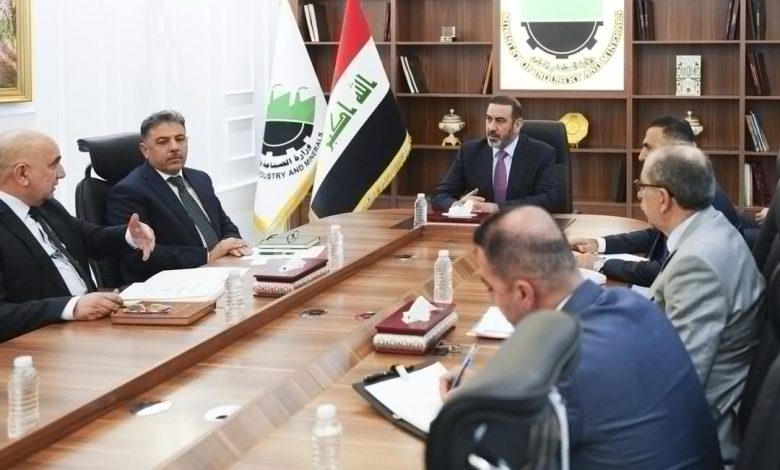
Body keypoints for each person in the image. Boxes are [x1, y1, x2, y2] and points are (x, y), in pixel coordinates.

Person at [439, 206, 723, 469]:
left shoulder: (563, 369)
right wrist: (492, 390)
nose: (491, 297)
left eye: (490, 287)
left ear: (523, 293)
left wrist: (466, 412)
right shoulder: (636, 305)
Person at [638, 145, 764, 463]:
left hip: (693, 438)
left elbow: (680, 380)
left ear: (663, 198)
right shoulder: (712, 224)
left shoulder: (698, 264)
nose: (639, 195)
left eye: (641, 187)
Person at [0, 129, 155, 342]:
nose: (61, 173)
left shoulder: (46, 205)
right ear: (22, 174)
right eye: (53, 164)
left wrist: (129, 235)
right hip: (42, 341)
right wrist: (71, 307)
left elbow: (87, 237)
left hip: (90, 326)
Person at [571, 115, 744, 287]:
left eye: (648, 147)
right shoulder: (688, 183)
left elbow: (664, 272)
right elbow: (656, 235)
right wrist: (597, 244)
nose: (640, 156)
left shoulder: (697, 197)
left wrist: (598, 263)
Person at [106, 110, 251, 284]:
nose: (174, 147)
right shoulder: (128, 191)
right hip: (172, 285)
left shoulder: (200, 178)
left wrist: (232, 244)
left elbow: (225, 224)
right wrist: (207, 256)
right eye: (163, 142)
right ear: (145, 150)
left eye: (180, 139)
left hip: (221, 272)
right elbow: (141, 254)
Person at [430, 95, 558, 213]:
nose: (491, 127)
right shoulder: (469, 151)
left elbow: (547, 199)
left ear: (517, 125)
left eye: (500, 121)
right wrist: (458, 205)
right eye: (488, 119)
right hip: (480, 226)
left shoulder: (542, 153)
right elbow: (439, 196)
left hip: (522, 225)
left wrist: (497, 208)